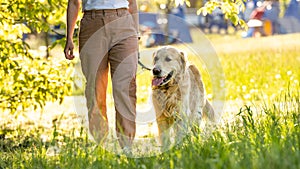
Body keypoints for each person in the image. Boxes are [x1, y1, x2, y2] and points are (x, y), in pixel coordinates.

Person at [64, 0, 139, 153]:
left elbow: (132, 3)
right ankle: (101, 145)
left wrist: (135, 34)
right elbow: (73, 3)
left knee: (124, 86)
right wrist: (69, 38)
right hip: (92, 23)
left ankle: (127, 146)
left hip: (123, 22)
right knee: (95, 88)